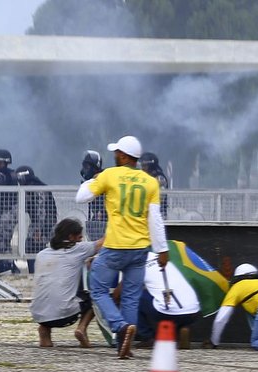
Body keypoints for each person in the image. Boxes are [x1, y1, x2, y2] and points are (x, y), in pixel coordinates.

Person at [76, 135, 169, 359]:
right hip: (140, 249)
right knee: (130, 297)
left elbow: (82, 197)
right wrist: (162, 250)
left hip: (116, 246)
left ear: (124, 156)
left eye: (116, 152)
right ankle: (123, 345)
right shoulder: (150, 182)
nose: (114, 155)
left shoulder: (110, 175)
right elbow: (155, 219)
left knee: (98, 289)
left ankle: (119, 326)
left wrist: (94, 179)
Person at [30, 218, 102, 348]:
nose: (82, 239)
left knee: (50, 290)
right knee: (96, 296)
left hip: (38, 314)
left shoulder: (42, 254)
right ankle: (82, 329)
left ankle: (44, 333)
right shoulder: (77, 249)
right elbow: (104, 242)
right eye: (80, 236)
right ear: (71, 237)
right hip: (65, 316)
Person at [134, 249, 202, 349]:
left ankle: (148, 337)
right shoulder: (165, 259)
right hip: (194, 312)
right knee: (165, 298)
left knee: (133, 296)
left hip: (168, 313)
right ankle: (182, 329)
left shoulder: (137, 265)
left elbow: (121, 292)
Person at [16, 165, 58, 274]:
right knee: (33, 248)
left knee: (33, 247)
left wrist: (39, 230)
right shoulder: (31, 188)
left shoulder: (38, 189)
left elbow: (41, 210)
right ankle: (37, 273)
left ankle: (37, 274)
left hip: (45, 225)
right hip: (40, 224)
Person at [80, 150, 107, 241]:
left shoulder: (103, 179)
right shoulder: (92, 182)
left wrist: (101, 212)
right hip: (97, 218)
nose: (84, 170)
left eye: (87, 167)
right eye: (84, 167)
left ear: (94, 167)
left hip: (105, 219)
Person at [139, 152, 169, 219]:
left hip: (158, 215)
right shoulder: (145, 177)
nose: (142, 168)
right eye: (142, 165)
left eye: (144, 166)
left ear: (150, 166)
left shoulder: (160, 178)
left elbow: (160, 198)